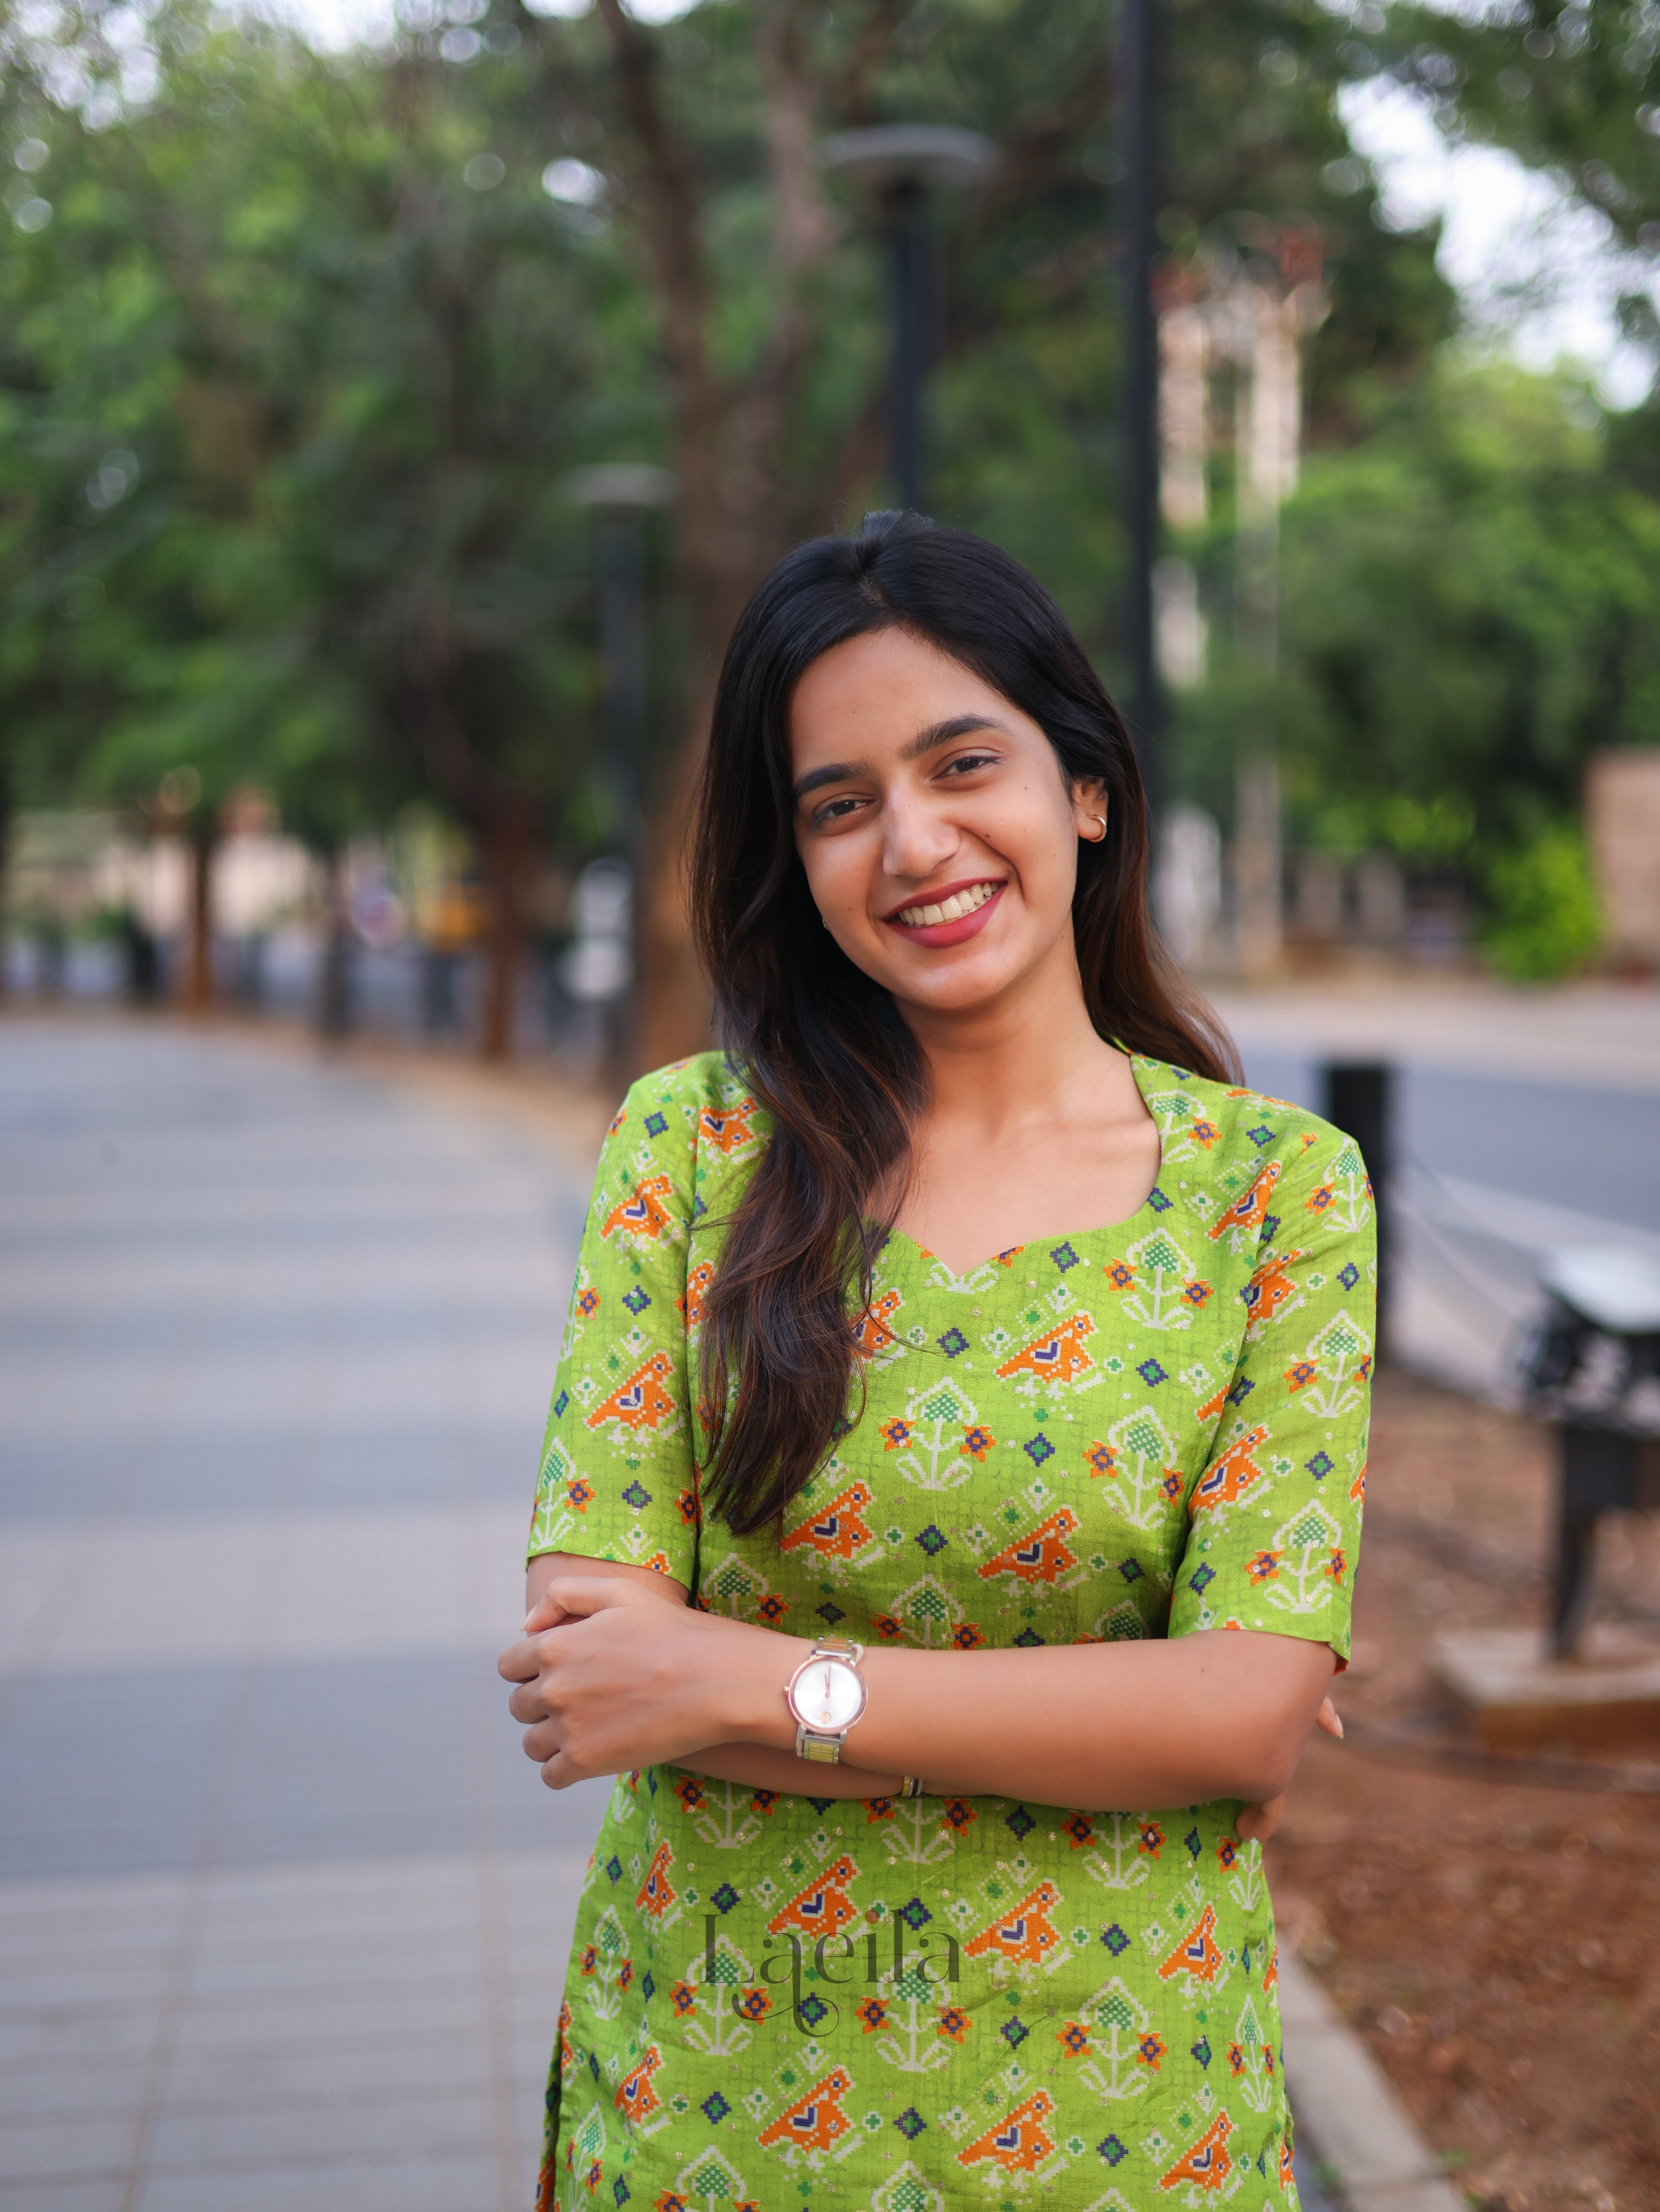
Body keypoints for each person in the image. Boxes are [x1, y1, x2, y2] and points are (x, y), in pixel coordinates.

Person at [499, 512, 1372, 2212]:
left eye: (964, 761)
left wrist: (760, 1683)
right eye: (840, 803)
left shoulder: (1277, 1193)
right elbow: (604, 1678)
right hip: (718, 2096)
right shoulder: (686, 1155)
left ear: (1087, 787)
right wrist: (1114, 1714)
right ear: (797, 856)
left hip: (1129, 2112)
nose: (914, 840)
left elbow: (1244, 1719)